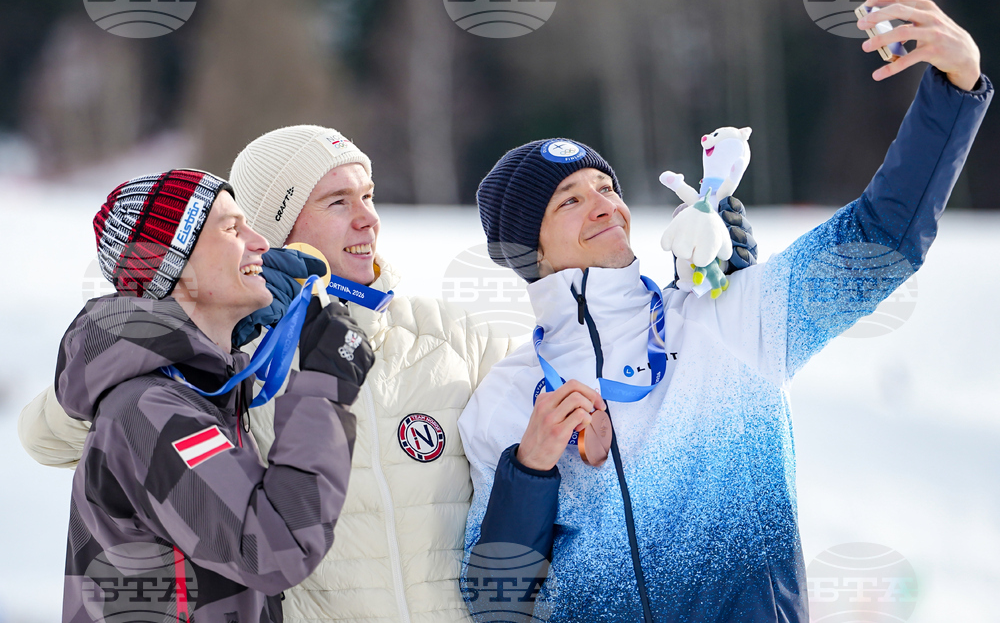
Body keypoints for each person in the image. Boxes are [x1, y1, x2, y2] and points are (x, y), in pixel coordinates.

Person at [21, 126, 755, 621]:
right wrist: (169, 341)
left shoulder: (445, 337)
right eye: (338, 203)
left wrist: (713, 302)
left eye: (368, 198)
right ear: (274, 232)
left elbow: (591, 406)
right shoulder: (225, 371)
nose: (369, 221)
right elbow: (56, 437)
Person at [458, 0, 992, 622]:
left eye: (607, 187)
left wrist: (956, 86)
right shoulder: (506, 401)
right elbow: (495, 601)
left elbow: (883, 238)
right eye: (569, 201)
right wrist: (531, 470)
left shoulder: (730, 319)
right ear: (529, 248)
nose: (604, 204)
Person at [59, 170, 372, 621]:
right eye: (232, 228)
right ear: (175, 264)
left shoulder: (200, 391)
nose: (261, 242)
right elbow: (272, 547)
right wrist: (325, 387)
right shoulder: (148, 409)